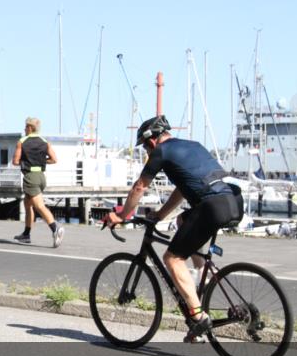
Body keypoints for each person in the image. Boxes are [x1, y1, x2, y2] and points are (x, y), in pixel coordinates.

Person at [105, 115, 244, 343]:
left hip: (211, 207)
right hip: (233, 202)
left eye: (145, 147)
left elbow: (139, 187)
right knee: (182, 221)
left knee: (172, 259)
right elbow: (181, 189)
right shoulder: (193, 145)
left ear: (151, 141)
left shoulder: (161, 151)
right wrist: (160, 215)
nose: (147, 152)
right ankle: (202, 278)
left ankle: (198, 317)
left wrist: (121, 215)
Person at [12, 117, 65, 247]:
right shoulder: (44, 142)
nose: (24, 129)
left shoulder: (22, 141)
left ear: (30, 128)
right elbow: (54, 159)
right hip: (41, 176)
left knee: (39, 206)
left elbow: (15, 161)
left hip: (31, 177)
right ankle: (26, 234)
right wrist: (41, 161)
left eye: (26, 127)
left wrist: (27, 161)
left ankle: (55, 229)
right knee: (27, 205)